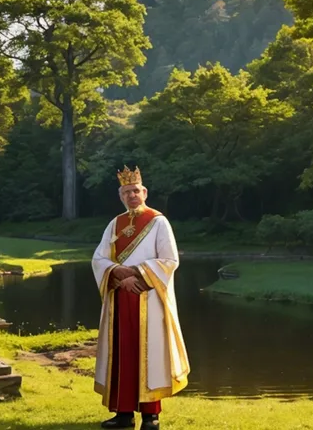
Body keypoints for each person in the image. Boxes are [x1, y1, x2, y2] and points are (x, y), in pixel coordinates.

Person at [92, 166, 190, 429]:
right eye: (127, 192)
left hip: (149, 299)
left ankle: (150, 416)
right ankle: (123, 414)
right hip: (119, 300)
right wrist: (117, 272)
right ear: (121, 196)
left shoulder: (159, 222)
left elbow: (169, 260)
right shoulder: (115, 223)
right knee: (122, 353)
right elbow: (99, 258)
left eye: (135, 190)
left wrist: (136, 275)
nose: (132, 195)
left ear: (144, 192)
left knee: (150, 355)